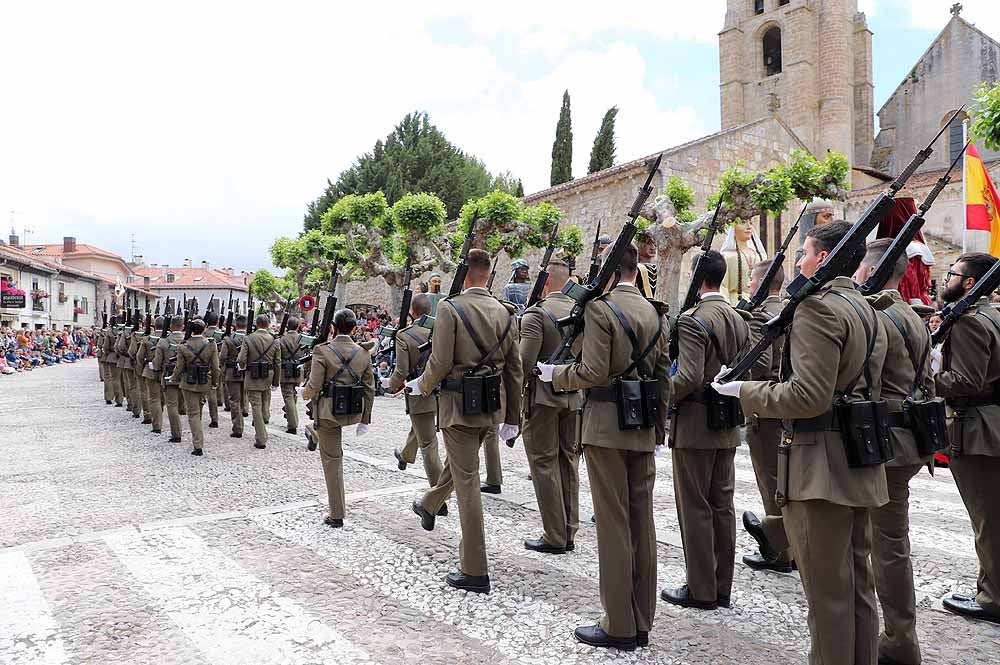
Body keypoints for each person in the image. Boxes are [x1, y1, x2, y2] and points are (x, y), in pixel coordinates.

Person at [714, 221, 889, 665]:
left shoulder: (818, 308)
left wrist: (745, 392)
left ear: (824, 259)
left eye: (805, 253)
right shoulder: (865, 306)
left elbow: (809, 395)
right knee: (857, 587)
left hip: (820, 468)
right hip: (856, 459)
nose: (798, 261)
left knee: (828, 594)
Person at [537, 242, 671, 651]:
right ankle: (642, 618)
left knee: (613, 523)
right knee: (641, 522)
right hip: (643, 425)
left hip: (605, 426)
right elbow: (663, 374)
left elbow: (593, 371)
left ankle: (618, 623)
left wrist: (555, 375)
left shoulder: (600, 309)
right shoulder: (656, 311)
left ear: (611, 271)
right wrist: (659, 427)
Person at [407, 248, 523, 594]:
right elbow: (515, 369)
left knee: (468, 479)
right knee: (463, 467)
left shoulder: (450, 307)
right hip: (490, 406)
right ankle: (429, 502)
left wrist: (420, 386)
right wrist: (513, 416)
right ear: (488, 274)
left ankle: (474, 569)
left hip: (457, 404)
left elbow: (440, 361)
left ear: (465, 272)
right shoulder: (505, 312)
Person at [852, 237, 937, 663]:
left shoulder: (873, 317)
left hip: (882, 444)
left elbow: (862, 384)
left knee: (881, 547)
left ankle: (898, 642)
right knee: (891, 543)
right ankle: (897, 637)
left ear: (867, 271)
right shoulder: (912, 315)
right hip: (908, 441)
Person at [664, 249, 750, 610]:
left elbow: (687, 377)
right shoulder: (738, 317)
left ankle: (700, 588)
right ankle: (721, 585)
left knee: (695, 506)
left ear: (698, 280)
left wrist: (659, 396)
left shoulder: (692, 319)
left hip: (697, 422)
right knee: (722, 505)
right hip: (727, 420)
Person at [934, 252, 1000, 624]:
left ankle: (993, 599)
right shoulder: (993, 314)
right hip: (991, 424)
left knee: (988, 521)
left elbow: (967, 382)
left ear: (970, 283)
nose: (946, 280)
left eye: (952, 274)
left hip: (978, 431)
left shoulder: (970, 321)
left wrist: (924, 378)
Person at [519, 259, 582, 554]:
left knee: (543, 463)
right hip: (573, 395)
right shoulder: (580, 312)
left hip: (542, 399)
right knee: (567, 461)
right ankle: (569, 530)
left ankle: (554, 534)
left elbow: (524, 363)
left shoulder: (536, 314)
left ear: (545, 283)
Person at [741, 259, 794, 573]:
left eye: (750, 279)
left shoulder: (762, 315)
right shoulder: (791, 310)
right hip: (788, 407)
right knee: (787, 481)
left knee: (772, 484)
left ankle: (779, 551)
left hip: (766, 410)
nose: (748, 285)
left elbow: (759, 368)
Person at [302, 308, 375, 528]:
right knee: (329, 446)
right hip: (353, 411)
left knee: (333, 461)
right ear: (355, 329)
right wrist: (366, 419)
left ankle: (337, 513)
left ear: (332, 327)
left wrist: (302, 392)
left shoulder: (322, 351)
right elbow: (369, 388)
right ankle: (313, 431)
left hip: (328, 413)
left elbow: (314, 386)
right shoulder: (363, 353)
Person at [383, 293, 444, 490]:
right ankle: (406, 455)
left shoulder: (405, 335)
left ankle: (439, 492)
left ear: (412, 312)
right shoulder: (441, 330)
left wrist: (390, 385)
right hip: (443, 392)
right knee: (419, 426)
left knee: (428, 444)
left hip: (420, 393)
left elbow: (401, 370)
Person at [169, 318, 221, 456]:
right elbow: (216, 367)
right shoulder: (211, 344)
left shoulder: (183, 345)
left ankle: (198, 445)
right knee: (198, 410)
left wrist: (173, 379)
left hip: (189, 383)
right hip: (205, 382)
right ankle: (199, 439)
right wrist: (215, 382)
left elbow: (179, 367)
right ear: (204, 329)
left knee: (193, 413)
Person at [238, 313, 281, 449]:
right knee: (264, 402)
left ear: (256, 324)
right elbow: (277, 363)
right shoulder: (275, 340)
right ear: (268, 325)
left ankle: (261, 438)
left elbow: (241, 359)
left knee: (255, 406)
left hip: (253, 375)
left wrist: (242, 366)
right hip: (268, 376)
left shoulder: (248, 338)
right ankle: (265, 421)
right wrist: (276, 382)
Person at [153, 316, 186, 443]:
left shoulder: (163, 342)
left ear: (171, 326)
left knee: (172, 406)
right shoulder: (187, 340)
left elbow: (157, 362)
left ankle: (176, 434)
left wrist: (157, 370)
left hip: (168, 376)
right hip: (186, 377)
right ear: (182, 326)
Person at [719, 220, 767, 306]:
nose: (748, 227)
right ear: (733, 227)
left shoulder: (761, 256)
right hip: (735, 304)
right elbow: (723, 286)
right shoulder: (727, 257)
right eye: (743, 223)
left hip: (758, 305)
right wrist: (727, 307)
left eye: (751, 223)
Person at [220, 315, 249, 439]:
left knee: (234, 401)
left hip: (232, 372)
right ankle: (243, 416)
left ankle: (238, 427)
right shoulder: (250, 338)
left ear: (235, 325)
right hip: (247, 372)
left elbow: (222, 357)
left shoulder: (228, 339)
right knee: (243, 398)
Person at [278, 316, 306, 435]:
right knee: (293, 395)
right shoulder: (302, 339)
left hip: (285, 371)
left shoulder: (282, 339)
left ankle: (292, 424)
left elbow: (278, 357)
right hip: (298, 370)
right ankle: (290, 413)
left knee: (288, 396)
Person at [137, 316, 165, 433]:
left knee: (154, 398)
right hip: (166, 370)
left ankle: (157, 424)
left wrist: (142, 366)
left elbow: (139, 356)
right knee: (163, 397)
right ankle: (159, 414)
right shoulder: (170, 338)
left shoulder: (147, 338)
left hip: (150, 368)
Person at [202, 310, 222, 428]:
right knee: (213, 392)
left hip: (205, 365)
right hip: (218, 363)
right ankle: (214, 418)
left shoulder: (203, 334)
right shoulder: (222, 333)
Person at [103, 317, 124, 407]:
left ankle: (118, 399)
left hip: (112, 356)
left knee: (113, 379)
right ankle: (125, 398)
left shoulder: (109, 332)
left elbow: (105, 346)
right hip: (122, 357)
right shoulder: (124, 331)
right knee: (123, 379)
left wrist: (110, 353)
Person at [635, 234, 658, 299]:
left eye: (654, 243)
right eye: (648, 243)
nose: (653, 247)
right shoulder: (634, 268)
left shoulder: (660, 269)